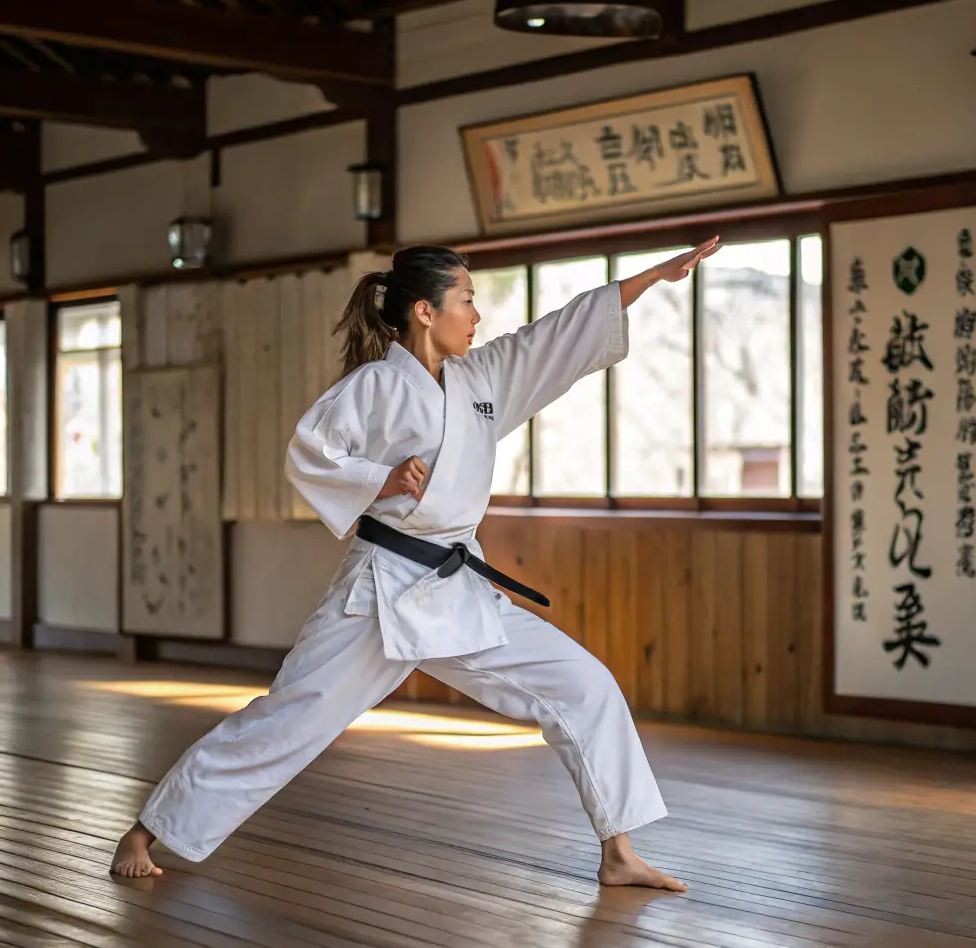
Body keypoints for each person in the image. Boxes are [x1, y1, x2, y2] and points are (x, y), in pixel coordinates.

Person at [111, 237, 722, 890]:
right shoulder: (374, 386)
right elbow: (308, 455)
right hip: (381, 591)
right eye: (466, 300)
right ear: (425, 311)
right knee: (291, 717)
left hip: (459, 588)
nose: (476, 315)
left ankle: (617, 852)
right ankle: (149, 827)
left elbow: (557, 336)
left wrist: (650, 277)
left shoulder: (483, 378)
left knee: (586, 686)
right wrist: (383, 479)